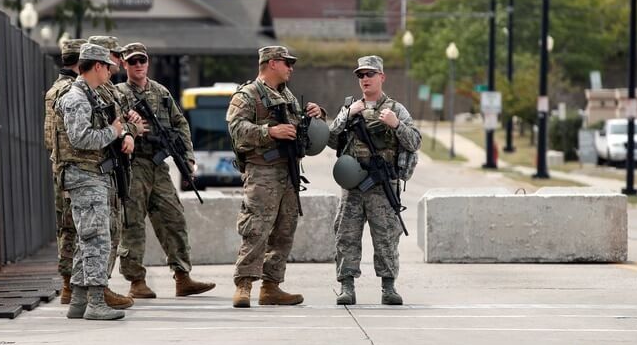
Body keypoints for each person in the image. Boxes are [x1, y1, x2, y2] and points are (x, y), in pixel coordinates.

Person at [226, 45, 325, 308]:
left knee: (284, 230)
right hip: (262, 172)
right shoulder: (248, 95)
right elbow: (236, 129)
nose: (291, 68)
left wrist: (314, 116)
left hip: (288, 171)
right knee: (256, 228)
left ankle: (271, 286)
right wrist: (271, 132)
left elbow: (297, 128)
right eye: (286, 63)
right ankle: (244, 284)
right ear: (271, 64)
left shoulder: (287, 96)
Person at [116, 42, 216, 298]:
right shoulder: (117, 94)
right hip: (132, 165)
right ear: (124, 64)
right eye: (133, 61)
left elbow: (180, 123)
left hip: (158, 166)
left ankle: (183, 276)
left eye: (142, 60)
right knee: (133, 223)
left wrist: (188, 157)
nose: (139, 65)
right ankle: (136, 281)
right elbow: (112, 124)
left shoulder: (161, 92)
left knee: (174, 218)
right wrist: (131, 127)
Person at [327, 55, 421, 306]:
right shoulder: (350, 108)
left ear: (382, 77)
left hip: (382, 184)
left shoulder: (396, 109)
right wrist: (346, 115)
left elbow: (414, 141)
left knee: (386, 236)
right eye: (361, 75)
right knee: (346, 234)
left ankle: (388, 287)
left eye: (370, 74)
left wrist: (396, 124)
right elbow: (331, 140)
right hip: (353, 184)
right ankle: (347, 286)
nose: (365, 79)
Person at [54, 43, 134, 321]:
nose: (110, 73)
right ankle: (96, 303)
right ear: (97, 66)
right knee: (97, 239)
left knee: (86, 239)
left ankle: (78, 301)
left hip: (92, 176)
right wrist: (112, 132)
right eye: (108, 68)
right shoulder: (77, 98)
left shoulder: (90, 95)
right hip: (85, 176)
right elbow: (81, 139)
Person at [85, 35, 142, 309]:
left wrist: (128, 134)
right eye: (112, 57)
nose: (116, 62)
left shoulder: (107, 90)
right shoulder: (83, 93)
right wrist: (118, 132)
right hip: (89, 171)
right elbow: (80, 137)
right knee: (94, 234)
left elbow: (123, 120)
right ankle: (93, 291)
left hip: (111, 167)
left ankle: (100, 287)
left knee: (111, 231)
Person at [44, 38, 85, 304]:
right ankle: (74, 283)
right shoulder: (74, 91)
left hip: (59, 164)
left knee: (65, 226)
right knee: (80, 227)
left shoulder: (53, 90)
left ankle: (67, 283)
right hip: (77, 165)